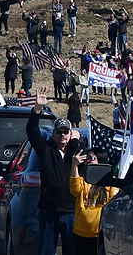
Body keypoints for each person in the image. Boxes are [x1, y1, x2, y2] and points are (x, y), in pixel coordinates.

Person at [28, 92, 83, 255]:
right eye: (59, 132)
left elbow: (83, 157)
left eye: (66, 132)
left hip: (71, 211)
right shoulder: (45, 149)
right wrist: (37, 109)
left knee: (71, 250)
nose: (62, 136)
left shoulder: (75, 151)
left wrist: (75, 141)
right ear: (53, 134)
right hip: (49, 210)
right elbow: (32, 132)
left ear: (71, 134)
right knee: (46, 250)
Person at [69, 148, 115, 255]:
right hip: (80, 233)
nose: (88, 161)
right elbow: (74, 189)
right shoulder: (82, 180)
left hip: (100, 234)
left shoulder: (110, 182)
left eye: (91, 158)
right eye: (86, 158)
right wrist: (74, 165)